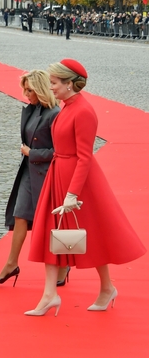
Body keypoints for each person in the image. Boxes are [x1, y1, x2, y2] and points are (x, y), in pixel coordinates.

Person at [25, 59, 146, 316]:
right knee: (51, 233)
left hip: (77, 181)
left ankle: (106, 288)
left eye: (55, 83)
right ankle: (49, 294)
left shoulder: (83, 111)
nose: (51, 87)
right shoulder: (67, 106)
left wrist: (72, 194)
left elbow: (85, 156)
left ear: (69, 84)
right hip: (58, 174)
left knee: (91, 235)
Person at [0, 70, 59, 286]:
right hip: (29, 171)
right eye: (24, 89)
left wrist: (32, 153)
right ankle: (11, 264)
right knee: (20, 215)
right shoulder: (33, 109)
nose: (26, 94)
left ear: (40, 89)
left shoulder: (54, 113)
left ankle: (63, 266)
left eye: (29, 90)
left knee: (50, 224)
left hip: (46, 175)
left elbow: (61, 150)